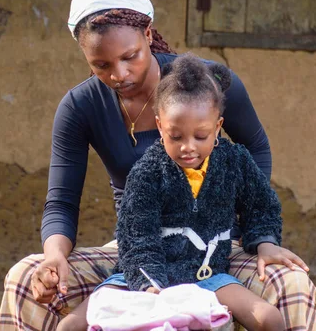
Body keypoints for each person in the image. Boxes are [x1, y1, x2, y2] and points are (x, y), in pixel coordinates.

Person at [0, 0, 316, 331]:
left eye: (130, 56)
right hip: (136, 246)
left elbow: (254, 150)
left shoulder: (206, 86)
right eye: (101, 65)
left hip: (217, 245)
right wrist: (54, 257)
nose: (119, 74)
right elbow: (61, 202)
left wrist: (254, 235)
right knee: (25, 278)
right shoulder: (80, 107)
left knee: (289, 285)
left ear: (148, 34)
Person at [58, 54, 291, 331]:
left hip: (207, 275)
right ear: (160, 126)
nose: (188, 147)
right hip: (145, 277)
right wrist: (150, 288)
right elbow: (136, 238)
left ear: (218, 127)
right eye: (176, 136)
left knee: (269, 319)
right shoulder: (147, 172)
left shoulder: (235, 161)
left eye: (200, 136)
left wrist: (265, 242)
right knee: (70, 326)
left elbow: (262, 206)